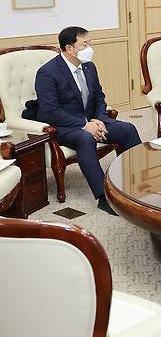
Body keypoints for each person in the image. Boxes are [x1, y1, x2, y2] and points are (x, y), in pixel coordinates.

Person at [35, 26, 142, 215]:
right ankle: (104, 197)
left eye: (89, 43)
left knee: (128, 129)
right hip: (63, 126)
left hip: (92, 119)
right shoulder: (48, 73)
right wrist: (85, 125)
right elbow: (50, 111)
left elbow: (99, 97)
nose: (89, 48)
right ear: (69, 49)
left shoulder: (88, 66)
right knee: (86, 138)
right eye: (85, 44)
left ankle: (134, 183)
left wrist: (99, 119)